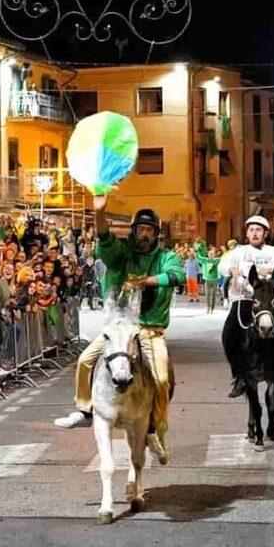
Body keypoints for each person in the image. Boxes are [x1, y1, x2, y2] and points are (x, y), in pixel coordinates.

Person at [54, 196, 185, 464]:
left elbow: (177, 276)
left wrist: (146, 281)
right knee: (85, 360)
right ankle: (85, 409)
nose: (145, 234)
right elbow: (103, 238)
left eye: (150, 230)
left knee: (161, 379)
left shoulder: (166, 256)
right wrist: (99, 211)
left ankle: (153, 426)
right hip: (118, 330)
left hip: (150, 330)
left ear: (156, 234)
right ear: (134, 231)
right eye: (141, 229)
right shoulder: (121, 253)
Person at [218, 215, 274, 396]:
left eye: (258, 230)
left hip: (268, 303)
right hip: (244, 300)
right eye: (251, 230)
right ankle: (239, 375)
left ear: (265, 233)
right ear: (247, 233)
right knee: (228, 333)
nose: (254, 233)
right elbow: (222, 265)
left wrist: (269, 269)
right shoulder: (238, 251)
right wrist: (231, 269)